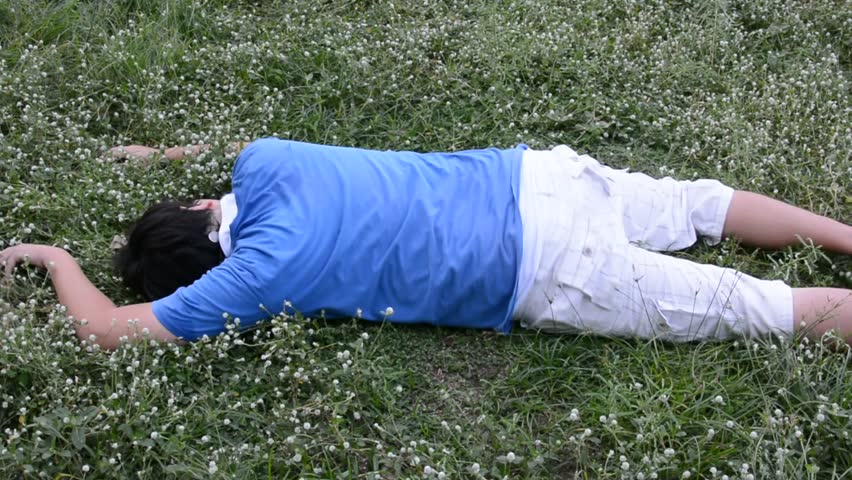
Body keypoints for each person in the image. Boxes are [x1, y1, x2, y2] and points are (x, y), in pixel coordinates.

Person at [1, 138, 850, 350]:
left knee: (754, 309)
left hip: (545, 268)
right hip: (540, 177)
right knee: (699, 204)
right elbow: (213, 160)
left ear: (190, 275)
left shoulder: (249, 281)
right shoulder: (265, 164)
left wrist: (56, 260)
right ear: (199, 206)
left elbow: (107, 330)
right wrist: (158, 156)